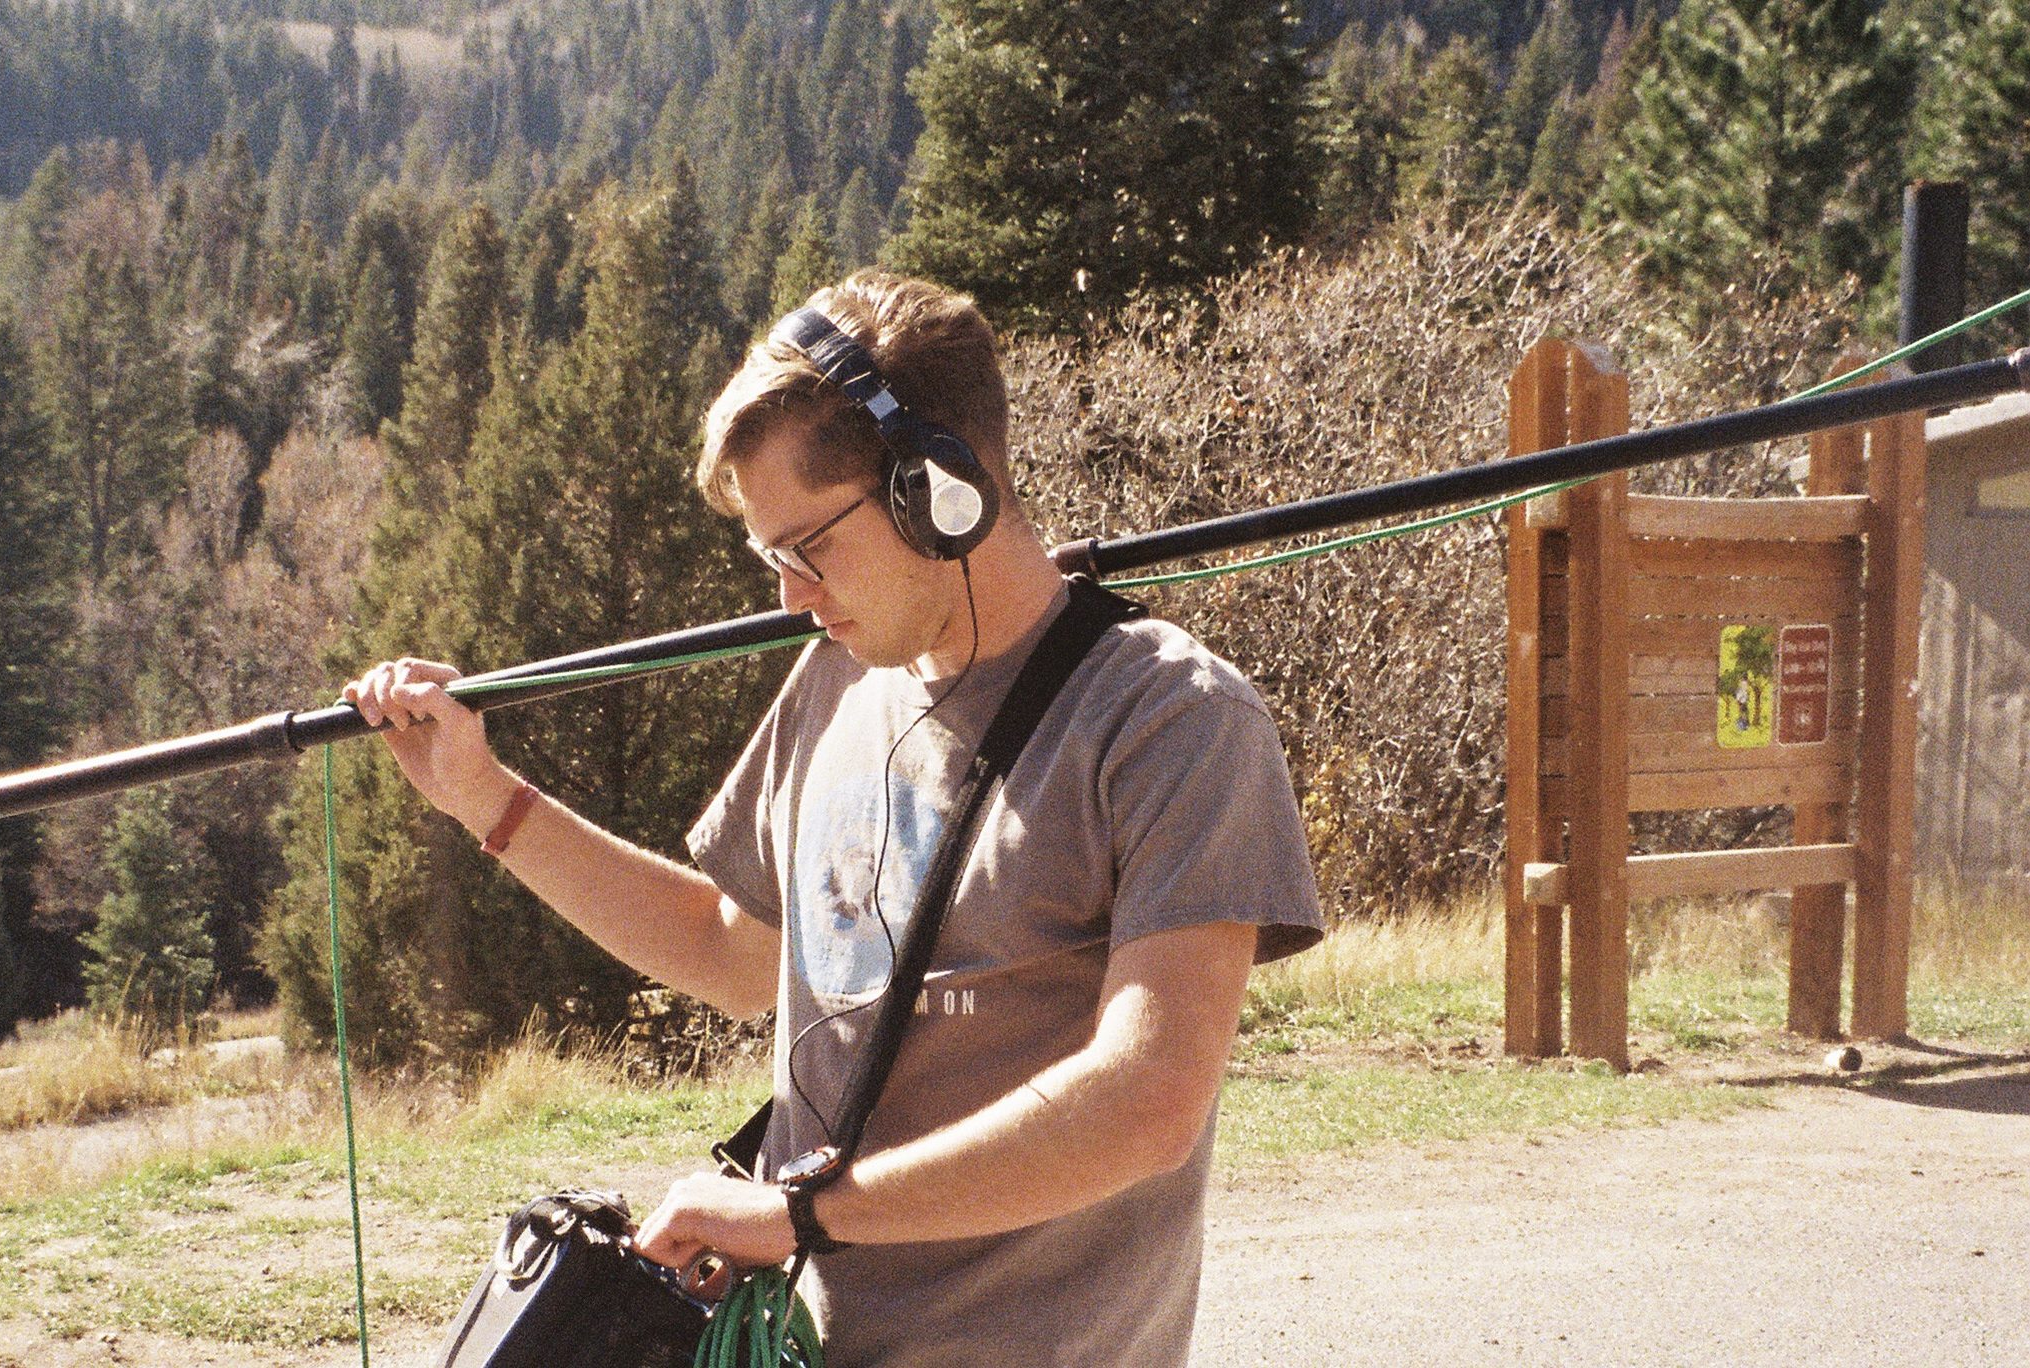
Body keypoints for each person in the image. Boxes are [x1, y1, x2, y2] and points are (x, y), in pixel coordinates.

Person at [343, 270, 1324, 1366]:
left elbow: (1147, 1102)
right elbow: (730, 950)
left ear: (937, 490)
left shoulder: (1171, 719)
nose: (790, 595)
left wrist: (799, 1215)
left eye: (807, 547)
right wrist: (483, 797)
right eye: (772, 557)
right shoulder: (840, 679)